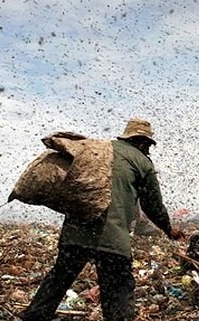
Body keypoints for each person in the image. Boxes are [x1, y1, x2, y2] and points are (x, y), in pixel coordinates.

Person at [20, 118, 184, 321]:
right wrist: (169, 229)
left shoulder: (97, 151)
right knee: (118, 291)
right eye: (148, 145)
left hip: (75, 234)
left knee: (58, 280)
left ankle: (33, 317)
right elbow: (153, 205)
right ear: (143, 143)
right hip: (112, 240)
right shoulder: (142, 162)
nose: (148, 150)